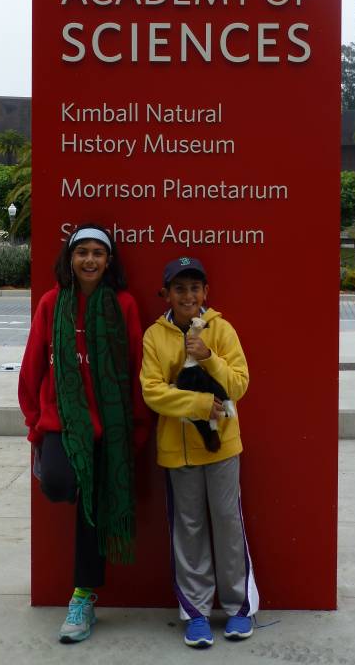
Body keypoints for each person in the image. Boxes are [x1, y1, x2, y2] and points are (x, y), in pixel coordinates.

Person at [18, 224, 150, 644]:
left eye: (98, 252)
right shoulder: (52, 303)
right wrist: (35, 426)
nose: (89, 260)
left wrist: (135, 430)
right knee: (59, 484)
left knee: (92, 510)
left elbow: (135, 368)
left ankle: (82, 597)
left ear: (109, 261)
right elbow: (32, 366)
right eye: (82, 252)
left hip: (108, 429)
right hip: (61, 422)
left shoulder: (124, 305)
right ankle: (55, 465)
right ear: (70, 259)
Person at [140, 256, 258, 649]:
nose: (187, 296)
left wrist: (209, 357)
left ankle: (239, 606)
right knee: (188, 528)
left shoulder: (221, 329)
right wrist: (199, 404)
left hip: (221, 447)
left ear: (205, 292)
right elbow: (152, 392)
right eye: (179, 289)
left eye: (194, 288)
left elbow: (239, 384)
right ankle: (196, 612)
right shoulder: (154, 336)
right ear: (166, 294)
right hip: (178, 452)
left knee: (227, 522)